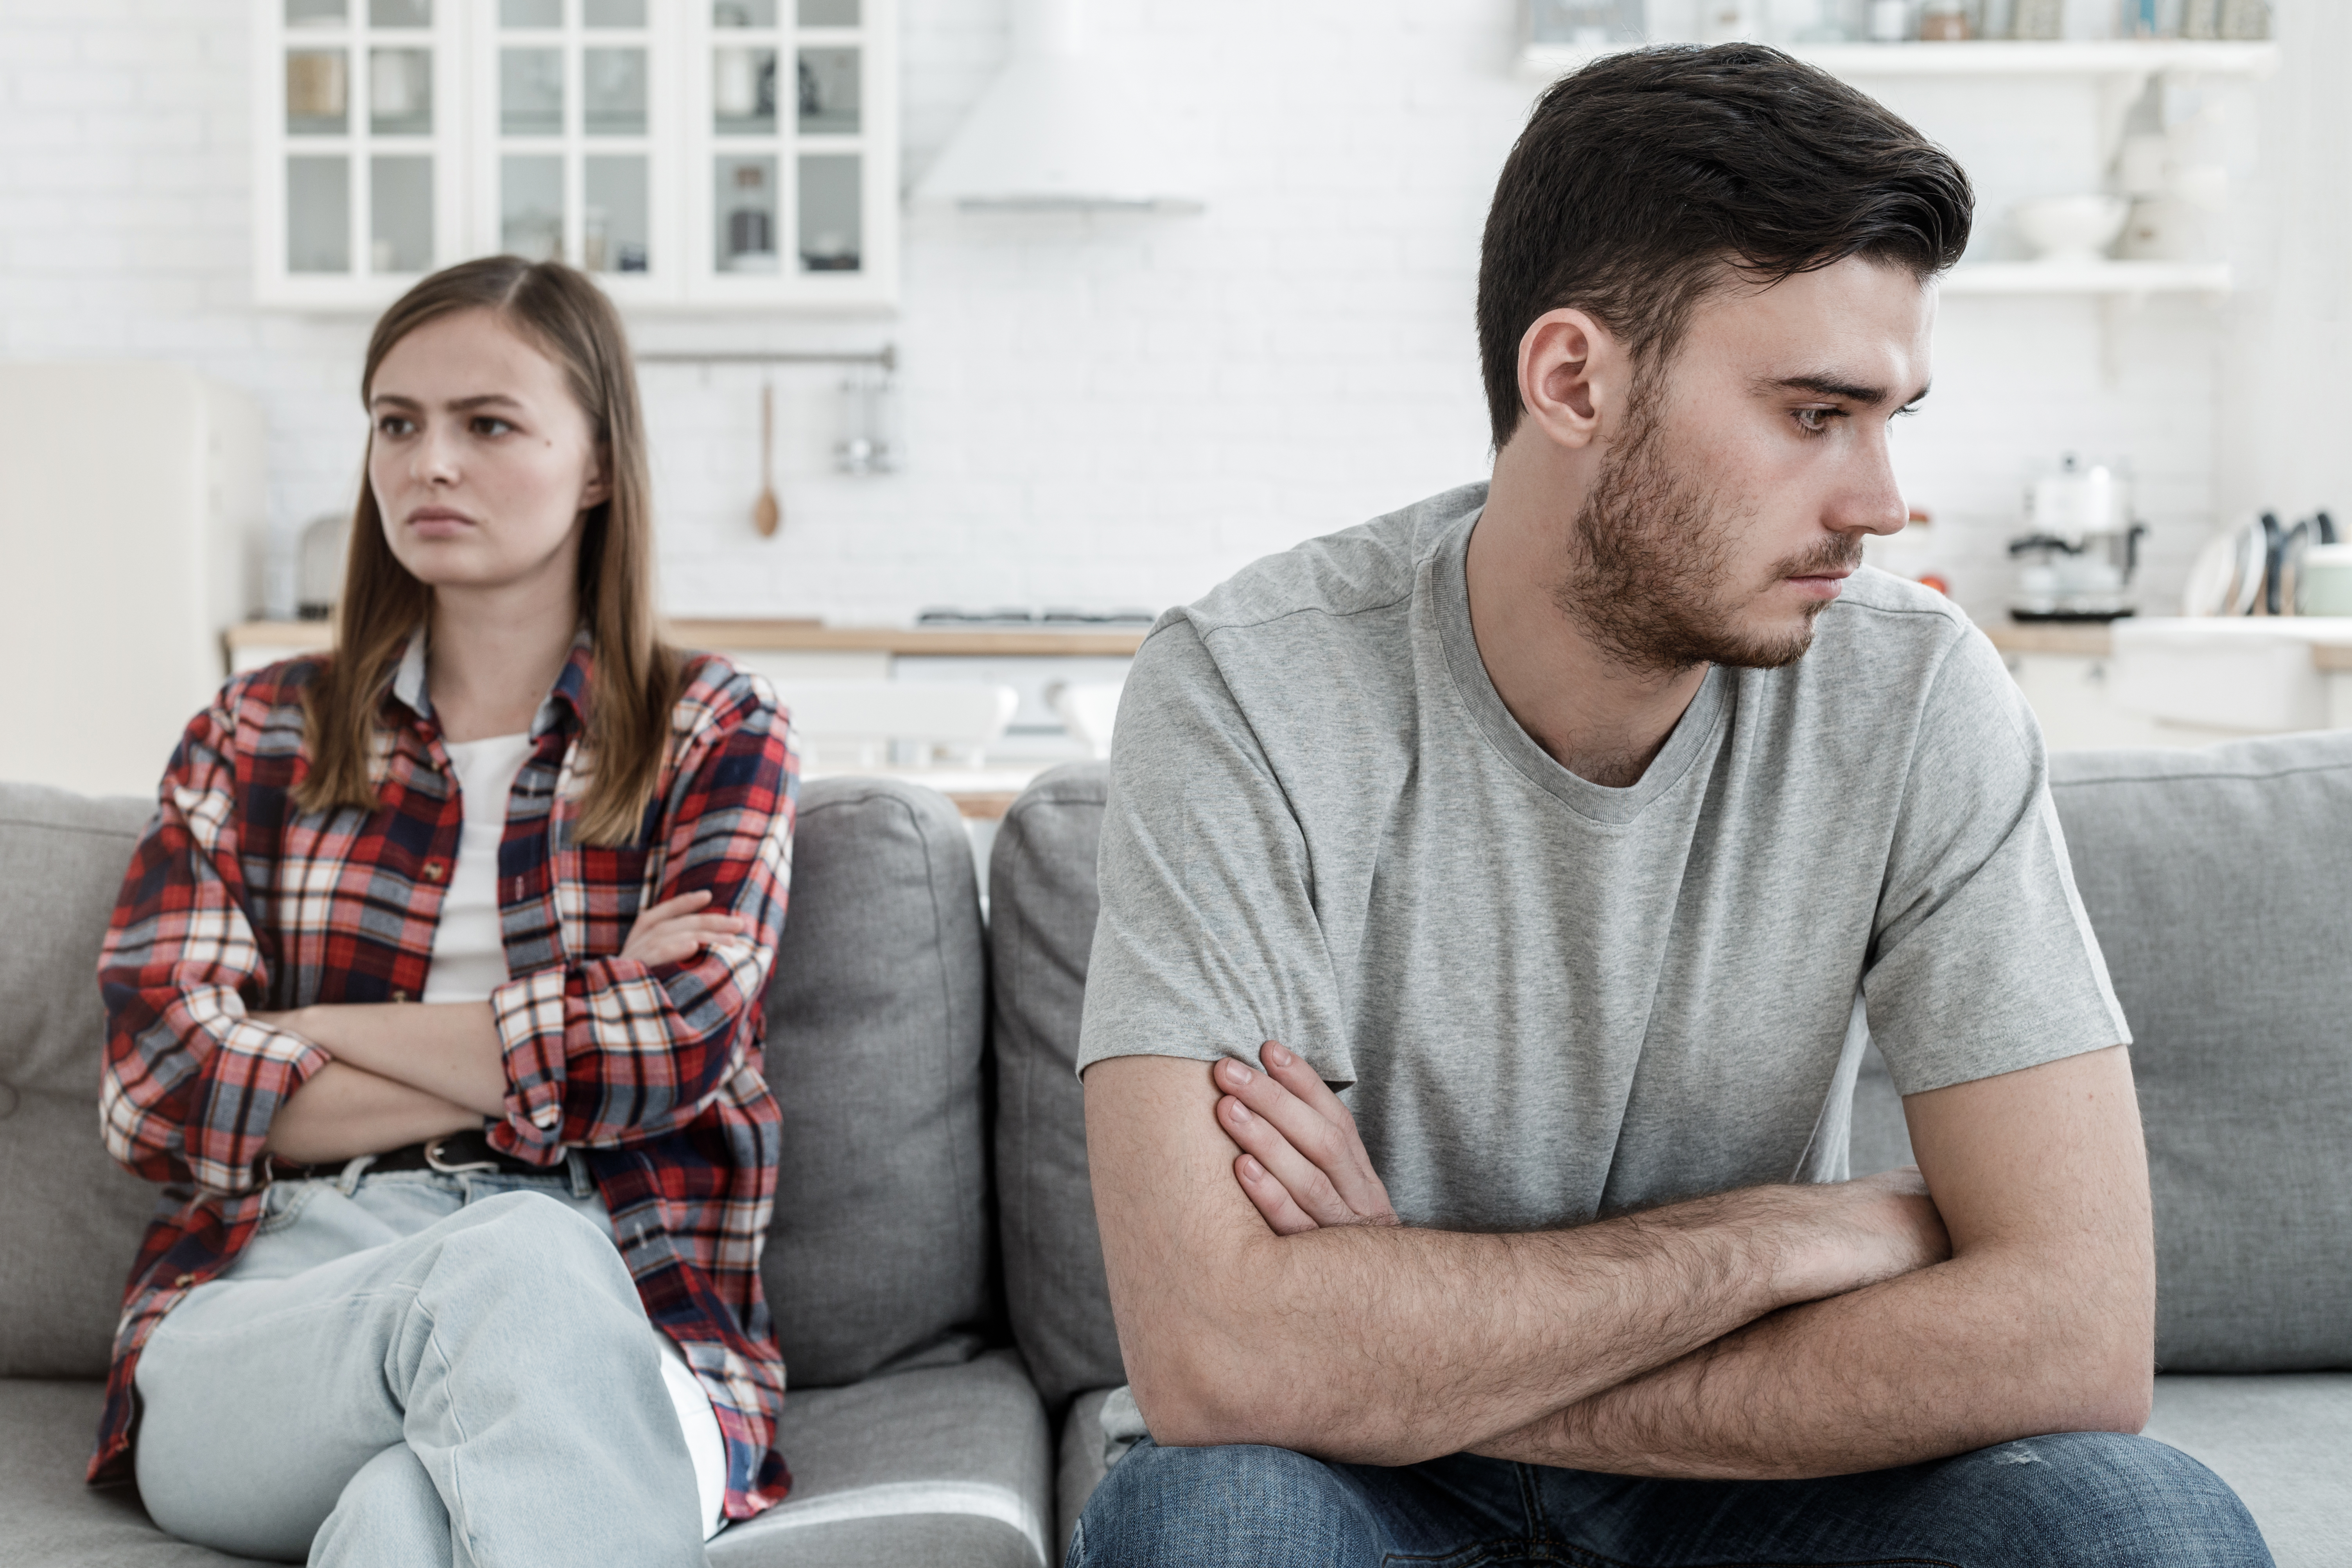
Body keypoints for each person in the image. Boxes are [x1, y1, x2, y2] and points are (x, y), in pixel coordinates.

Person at [1071, 44, 2271, 1568]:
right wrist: (1787, 1236)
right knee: (1212, 1526)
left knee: (2134, 1524)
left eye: (1889, 414)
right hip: (1343, 1482)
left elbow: (2078, 1334)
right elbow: (1221, 1358)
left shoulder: (1913, 698)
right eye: (1811, 413)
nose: (1882, 500)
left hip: (1756, 1472)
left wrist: (1407, 1342)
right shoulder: (1247, 690)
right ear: (1573, 377)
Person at [92, 256, 796, 1566]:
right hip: (288, 1302)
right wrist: (565, 1040)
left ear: (596, 463)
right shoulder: (252, 732)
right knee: (508, 1255)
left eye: (488, 424)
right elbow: (159, 1083)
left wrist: (309, 1029)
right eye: (397, 422)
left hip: (626, 1307)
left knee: (407, 1525)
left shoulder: (714, 726)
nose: (430, 464)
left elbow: (681, 1042)